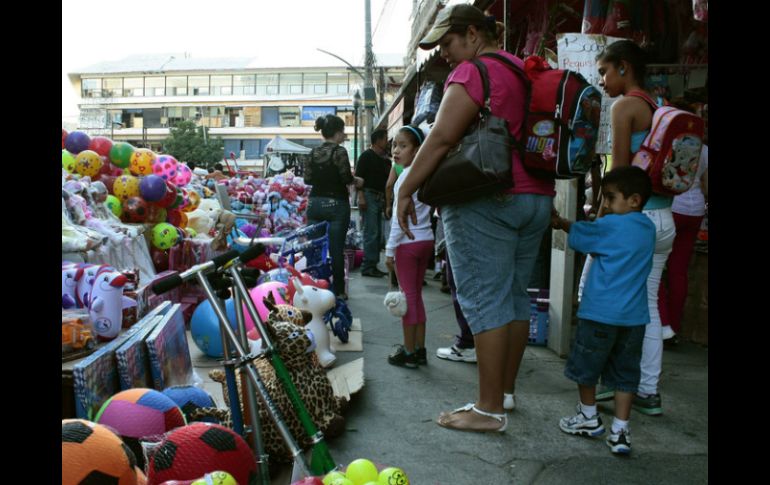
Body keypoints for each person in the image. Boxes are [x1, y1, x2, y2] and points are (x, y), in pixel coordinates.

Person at [397, 4, 554, 432]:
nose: (445, 53)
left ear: (472, 34)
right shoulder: (523, 69)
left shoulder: (471, 72)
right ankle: (503, 393)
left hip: (489, 198)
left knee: (485, 300)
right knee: (515, 298)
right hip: (535, 198)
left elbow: (444, 136)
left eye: (448, 43)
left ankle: (488, 410)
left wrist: (406, 188)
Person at [591, 40, 674, 416]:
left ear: (624, 67)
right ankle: (647, 390)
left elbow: (619, 173)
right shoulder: (656, 107)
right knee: (650, 305)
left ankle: (613, 383)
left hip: (634, 224)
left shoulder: (625, 106)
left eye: (605, 71)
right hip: (664, 219)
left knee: (605, 302)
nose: (603, 81)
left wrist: (602, 217)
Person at [552, 166, 655, 455]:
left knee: (586, 369)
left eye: (610, 198)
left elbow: (586, 235)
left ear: (634, 200)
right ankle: (620, 432)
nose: (606, 205)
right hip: (634, 318)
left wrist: (561, 222)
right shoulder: (647, 228)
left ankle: (588, 417)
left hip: (599, 314)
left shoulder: (609, 226)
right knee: (625, 374)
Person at [658, 100, 708, 343]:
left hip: (672, 208)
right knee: (679, 271)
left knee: (655, 267)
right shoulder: (705, 149)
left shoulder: (669, 143)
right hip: (695, 211)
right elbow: (706, 187)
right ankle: (675, 327)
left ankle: (663, 324)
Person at [384, 125, 434, 368]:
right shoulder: (425, 174)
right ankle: (421, 349)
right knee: (416, 297)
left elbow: (398, 218)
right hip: (426, 241)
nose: (396, 150)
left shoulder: (405, 177)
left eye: (403, 146)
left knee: (408, 298)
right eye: (394, 145)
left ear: (417, 151)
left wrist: (390, 250)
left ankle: (409, 352)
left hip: (407, 244)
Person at [304, 114, 363, 299]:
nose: (344, 136)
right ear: (337, 133)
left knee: (314, 247)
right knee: (336, 248)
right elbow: (346, 178)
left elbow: (307, 179)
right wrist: (357, 180)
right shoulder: (339, 152)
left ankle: (313, 287)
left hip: (314, 203)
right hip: (336, 203)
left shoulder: (312, 153)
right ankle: (338, 291)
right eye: (343, 133)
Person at [356, 129, 392, 277]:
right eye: (385, 139)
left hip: (379, 198)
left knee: (378, 233)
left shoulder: (384, 160)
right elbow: (358, 178)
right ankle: (368, 265)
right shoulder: (366, 156)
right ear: (377, 140)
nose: (387, 142)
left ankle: (373, 264)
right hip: (369, 195)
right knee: (371, 232)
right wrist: (361, 197)